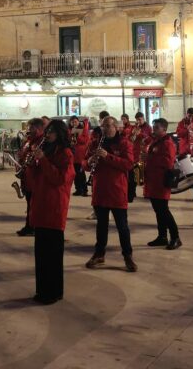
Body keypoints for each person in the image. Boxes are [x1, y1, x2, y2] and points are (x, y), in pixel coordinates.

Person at [26, 119, 74, 303]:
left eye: (51, 131)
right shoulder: (45, 149)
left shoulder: (65, 153)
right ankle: (42, 289)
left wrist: (43, 160)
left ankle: (54, 292)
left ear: (60, 133)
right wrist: (30, 163)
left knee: (52, 255)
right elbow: (34, 181)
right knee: (41, 254)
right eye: (46, 131)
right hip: (40, 204)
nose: (47, 135)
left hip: (54, 206)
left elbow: (59, 179)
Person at [85, 116, 137, 272]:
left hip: (116, 191)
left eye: (108, 126)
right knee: (101, 226)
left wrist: (108, 156)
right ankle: (99, 254)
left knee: (122, 227)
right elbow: (84, 162)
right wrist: (89, 162)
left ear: (116, 127)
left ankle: (127, 256)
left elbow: (128, 164)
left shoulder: (124, 143)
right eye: (103, 126)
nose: (105, 129)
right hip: (100, 190)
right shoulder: (95, 143)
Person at [143, 118, 181, 249]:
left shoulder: (167, 143)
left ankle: (175, 237)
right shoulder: (156, 141)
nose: (154, 129)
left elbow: (168, 163)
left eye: (157, 127)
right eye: (154, 127)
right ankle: (162, 236)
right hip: (153, 181)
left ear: (164, 129)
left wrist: (151, 158)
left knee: (164, 211)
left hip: (161, 181)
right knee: (158, 211)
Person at [16, 118, 45, 236]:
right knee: (29, 203)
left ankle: (34, 226)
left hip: (36, 179)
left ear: (38, 129)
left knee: (34, 204)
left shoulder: (42, 142)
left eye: (31, 128)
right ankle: (29, 225)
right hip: (27, 176)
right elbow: (24, 154)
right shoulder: (29, 140)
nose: (28, 130)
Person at [127, 112, 151, 202]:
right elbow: (129, 139)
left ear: (143, 118)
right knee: (133, 175)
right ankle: (132, 193)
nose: (138, 121)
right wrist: (132, 134)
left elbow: (149, 139)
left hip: (143, 154)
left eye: (140, 119)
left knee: (143, 176)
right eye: (137, 120)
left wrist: (140, 134)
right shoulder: (134, 127)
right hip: (134, 153)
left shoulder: (148, 128)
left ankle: (147, 192)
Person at [69, 116, 90, 196]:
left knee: (81, 173)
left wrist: (77, 136)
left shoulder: (83, 130)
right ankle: (78, 189)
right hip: (73, 155)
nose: (74, 123)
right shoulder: (69, 131)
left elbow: (85, 140)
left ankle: (84, 190)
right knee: (74, 173)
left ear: (78, 122)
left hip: (80, 154)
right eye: (72, 122)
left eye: (75, 121)